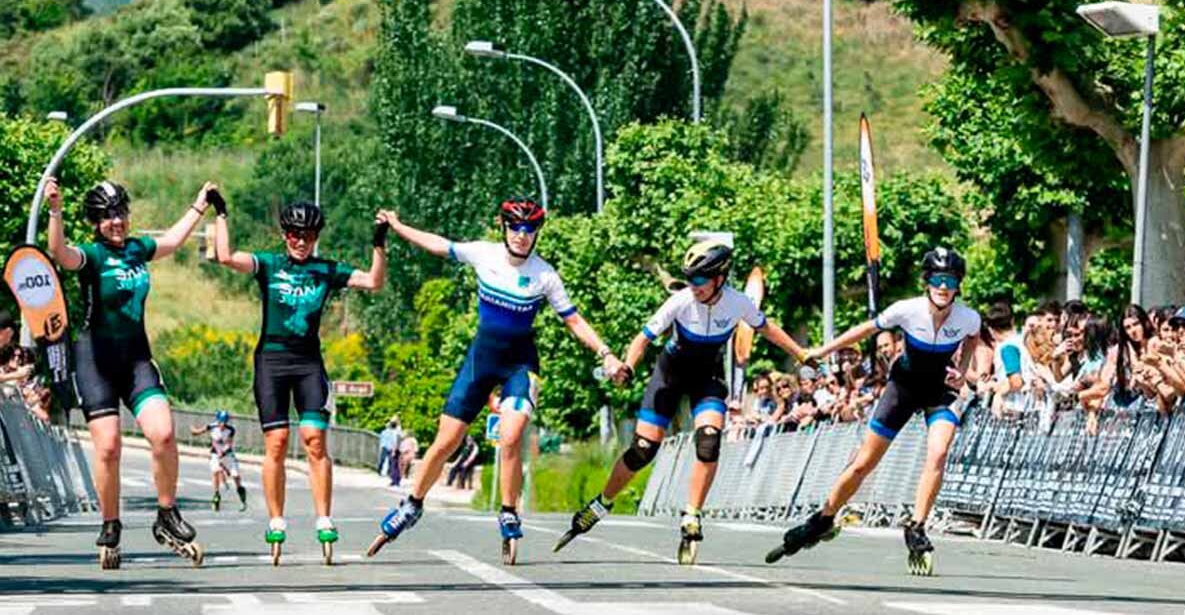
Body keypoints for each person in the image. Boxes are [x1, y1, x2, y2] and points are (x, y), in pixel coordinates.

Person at [368, 197, 625, 565]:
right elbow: (439, 244)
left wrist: (606, 353)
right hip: (480, 363)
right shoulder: (484, 254)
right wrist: (397, 225)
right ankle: (412, 504)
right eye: (515, 228)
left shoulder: (545, 275)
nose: (522, 236)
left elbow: (574, 320)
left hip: (520, 367)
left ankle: (508, 511)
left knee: (510, 437)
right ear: (503, 227)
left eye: (529, 229)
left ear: (537, 232)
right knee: (445, 443)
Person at [555, 240, 808, 565]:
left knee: (708, 442)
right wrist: (627, 367)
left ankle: (692, 514)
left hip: (707, 379)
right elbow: (643, 338)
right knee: (643, 450)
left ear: (720, 277)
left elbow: (768, 329)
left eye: (700, 279)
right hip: (669, 376)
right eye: (689, 279)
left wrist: (801, 355)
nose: (694, 286)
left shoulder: (737, 302)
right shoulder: (680, 301)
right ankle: (602, 503)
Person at [765, 247, 980, 576]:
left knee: (938, 454)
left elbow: (973, 339)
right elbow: (864, 331)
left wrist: (962, 370)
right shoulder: (907, 310)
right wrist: (820, 351)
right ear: (927, 282)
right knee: (864, 463)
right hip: (903, 389)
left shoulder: (968, 317)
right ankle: (824, 518)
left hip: (939, 390)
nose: (943, 286)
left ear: (958, 285)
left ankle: (917, 526)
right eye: (937, 279)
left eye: (950, 280)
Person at [212, 191, 387, 565]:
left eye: (308, 235)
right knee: (276, 442)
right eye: (295, 234)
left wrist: (378, 242)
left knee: (314, 440)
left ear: (316, 236)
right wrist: (222, 212)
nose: (302, 242)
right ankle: (276, 519)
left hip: (308, 363)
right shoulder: (270, 265)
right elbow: (226, 257)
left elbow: (373, 281)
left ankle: (324, 518)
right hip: (271, 362)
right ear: (285, 234)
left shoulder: (326, 270)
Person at [45, 178, 207, 569]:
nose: (117, 221)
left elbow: (170, 241)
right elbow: (60, 254)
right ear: (96, 223)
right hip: (95, 360)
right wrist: (54, 210)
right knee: (109, 446)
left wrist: (199, 206)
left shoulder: (138, 249)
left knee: (164, 434)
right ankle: (110, 523)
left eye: (120, 213)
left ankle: (166, 516)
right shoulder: (93, 256)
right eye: (107, 216)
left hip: (136, 358)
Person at [190, 410, 247, 511]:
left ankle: (243, 499)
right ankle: (216, 495)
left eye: (225, 422)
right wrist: (194, 431)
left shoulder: (231, 430)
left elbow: (229, 444)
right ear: (218, 420)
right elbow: (198, 432)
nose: (222, 424)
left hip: (228, 455)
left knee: (236, 477)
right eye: (221, 422)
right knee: (216, 471)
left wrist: (224, 452)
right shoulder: (212, 426)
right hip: (215, 454)